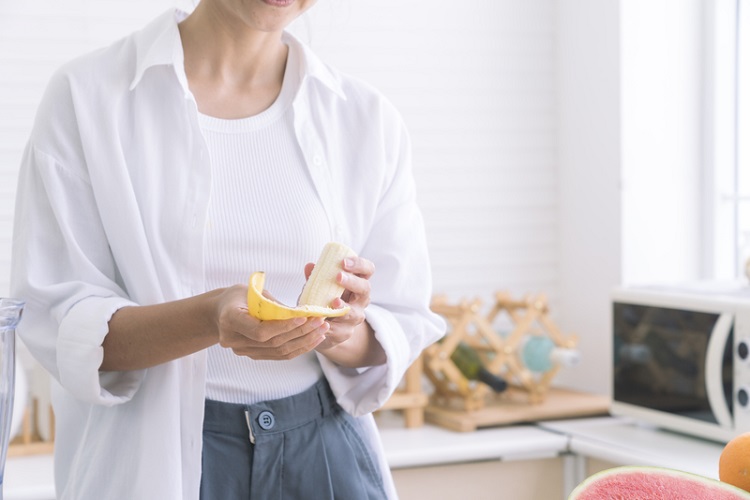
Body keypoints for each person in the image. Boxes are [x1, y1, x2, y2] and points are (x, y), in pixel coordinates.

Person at [10, 0, 445, 499]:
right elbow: (59, 324)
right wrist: (209, 316)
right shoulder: (88, 97)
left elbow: (399, 320)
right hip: (163, 462)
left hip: (325, 454)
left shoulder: (366, 118)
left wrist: (339, 329)